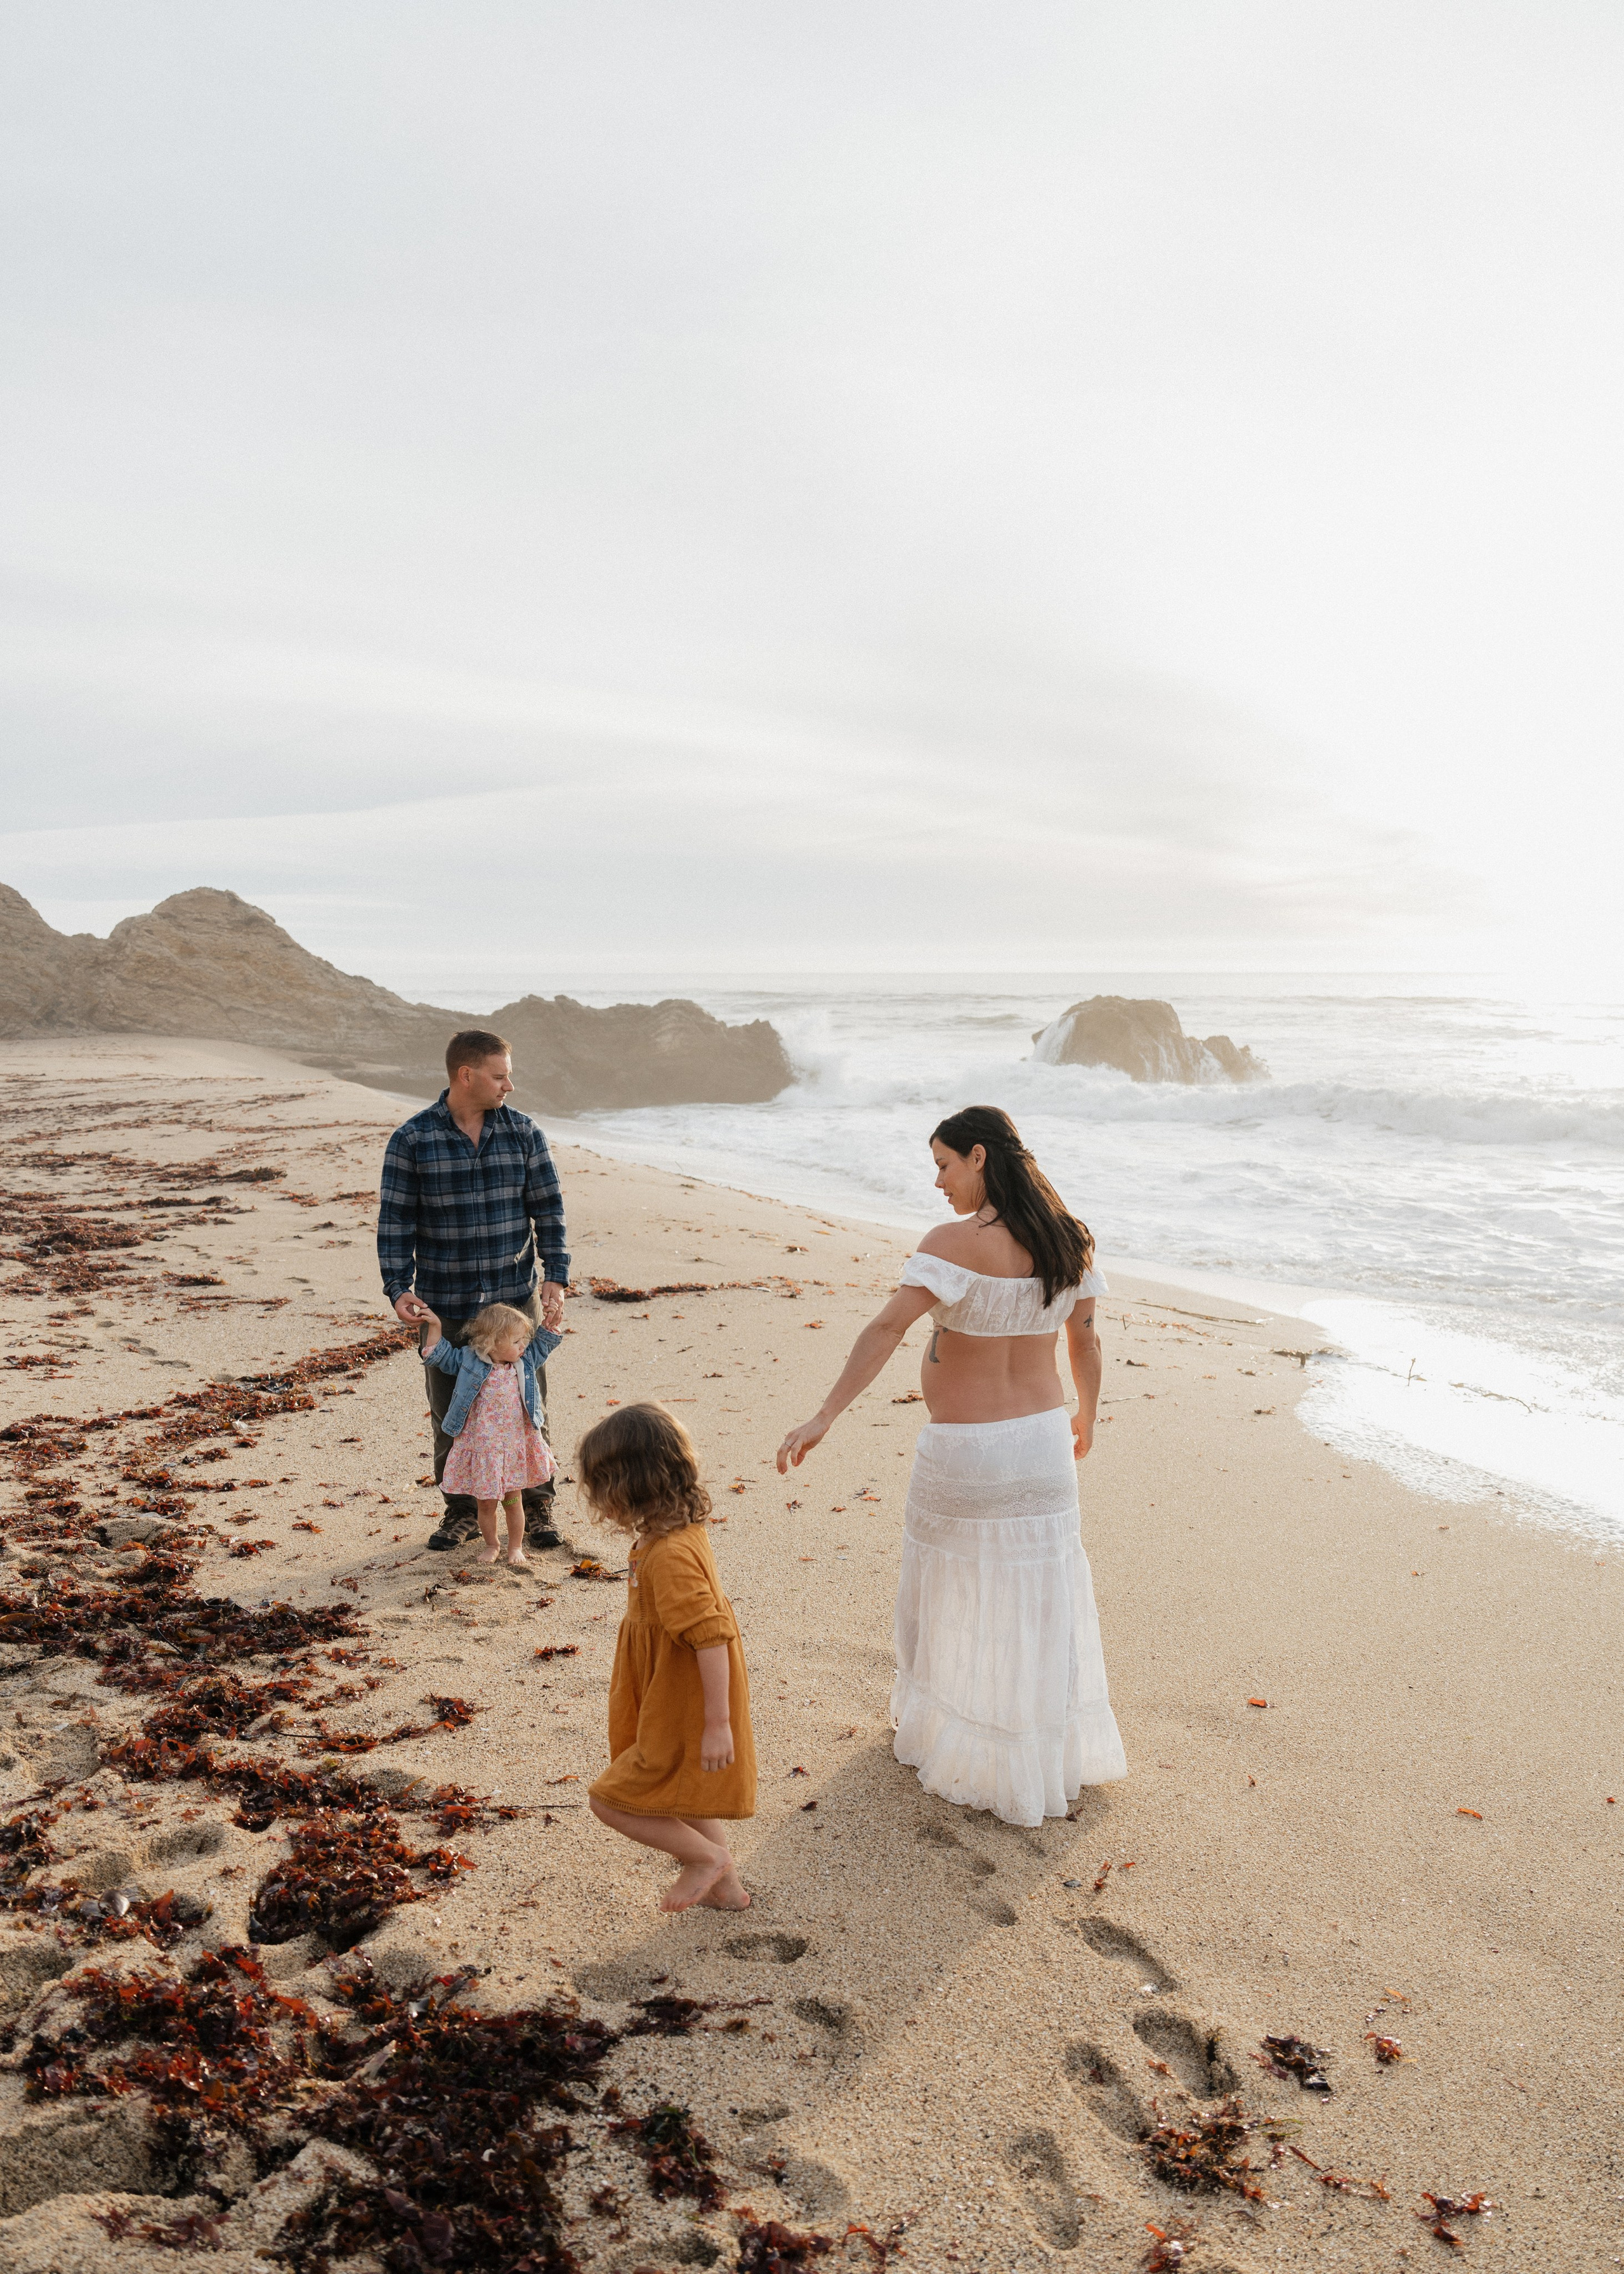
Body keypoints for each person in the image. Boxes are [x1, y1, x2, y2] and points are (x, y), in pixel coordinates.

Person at [776, 1104, 1127, 1827]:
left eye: (942, 1164)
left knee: (949, 1591)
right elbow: (1084, 1340)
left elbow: (886, 1327)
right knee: (1039, 1596)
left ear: (977, 1156)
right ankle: (1037, 1749)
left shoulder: (953, 1243)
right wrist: (1086, 1416)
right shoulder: (1070, 1240)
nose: (937, 1182)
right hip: (1038, 1445)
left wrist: (825, 1415)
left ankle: (951, 1732)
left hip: (965, 1453)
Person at [377, 1029, 570, 1551]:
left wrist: (555, 1273)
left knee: (528, 1406)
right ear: (468, 1075)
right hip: (448, 1303)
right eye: (501, 1075)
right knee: (454, 1413)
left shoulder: (524, 1133)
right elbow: (395, 1223)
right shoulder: (413, 1140)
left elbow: (548, 1209)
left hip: (514, 1304)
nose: (510, 1085)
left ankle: (536, 1503)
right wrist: (397, 1288)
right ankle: (462, 1510)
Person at [580, 1402, 756, 1913]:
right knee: (686, 1794)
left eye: (599, 1483)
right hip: (673, 1688)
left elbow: (711, 1636)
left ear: (628, 1483)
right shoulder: (668, 1536)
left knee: (610, 1799)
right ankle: (728, 1892)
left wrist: (718, 1722)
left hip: (686, 1699)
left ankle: (705, 1860)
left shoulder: (670, 1555)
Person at [419, 1302, 561, 1565]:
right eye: (517, 1341)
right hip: (483, 1450)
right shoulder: (470, 1361)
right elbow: (440, 1355)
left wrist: (550, 1325)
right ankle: (492, 1544)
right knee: (486, 1505)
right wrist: (435, 1327)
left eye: (524, 1340)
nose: (523, 1346)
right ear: (492, 1343)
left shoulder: (524, 1361)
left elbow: (543, 1345)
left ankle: (515, 1546)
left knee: (512, 1501)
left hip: (513, 1447)